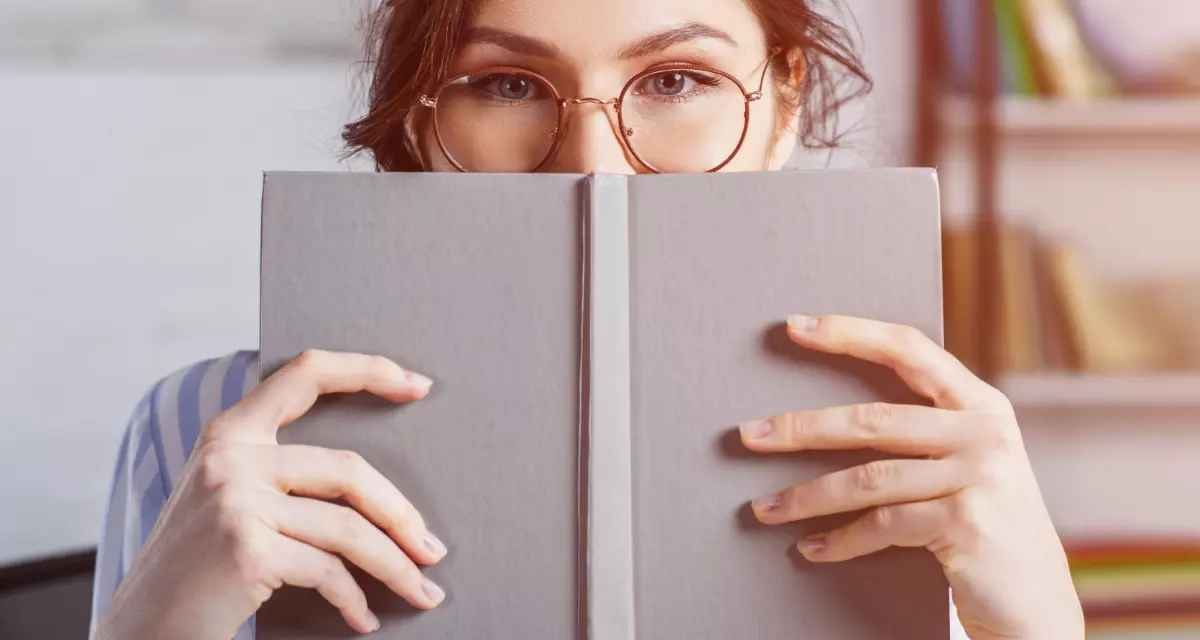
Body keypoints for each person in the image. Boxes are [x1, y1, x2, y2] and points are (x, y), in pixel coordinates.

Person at [91, 0, 1085, 638]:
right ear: (415, 120)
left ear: (784, 104)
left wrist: (1039, 629)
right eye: (507, 84)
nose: (591, 168)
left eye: (677, 81)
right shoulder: (200, 430)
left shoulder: (935, 449)